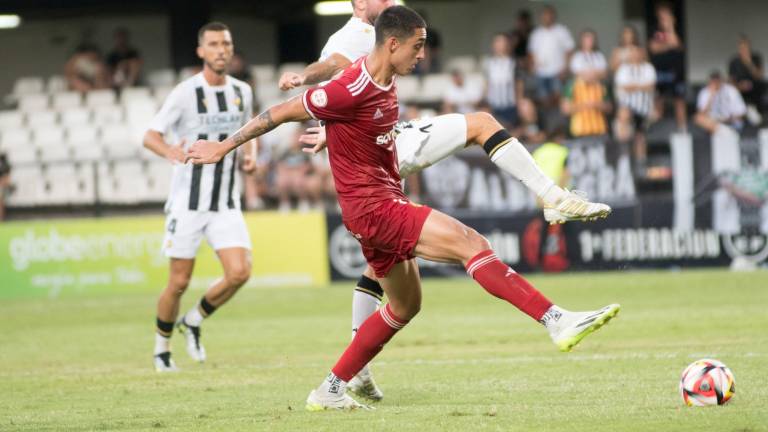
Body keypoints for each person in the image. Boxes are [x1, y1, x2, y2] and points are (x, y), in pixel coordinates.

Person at [187, 6, 620, 411]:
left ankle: (330, 390)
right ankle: (555, 319)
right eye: (417, 45)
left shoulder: (384, 80)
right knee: (472, 243)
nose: (422, 54)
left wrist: (332, 135)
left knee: (403, 307)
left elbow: (362, 126)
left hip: (374, 208)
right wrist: (223, 147)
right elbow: (278, 113)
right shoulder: (348, 88)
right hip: (376, 209)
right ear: (392, 44)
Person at [143, 22, 257, 372]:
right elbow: (151, 135)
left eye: (226, 43)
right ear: (201, 51)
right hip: (188, 204)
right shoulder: (184, 93)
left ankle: (193, 321)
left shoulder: (242, 91)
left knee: (239, 272)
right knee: (178, 282)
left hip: (225, 202)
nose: (221, 49)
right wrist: (170, 153)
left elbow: (249, 128)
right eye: (213, 44)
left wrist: (250, 152)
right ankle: (161, 350)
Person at [614, 46, 656, 167]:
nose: (635, 55)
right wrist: (641, 86)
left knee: (640, 136)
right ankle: (624, 157)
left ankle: (640, 162)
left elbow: (650, 86)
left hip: (643, 109)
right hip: (627, 106)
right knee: (624, 117)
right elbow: (623, 87)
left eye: (638, 52)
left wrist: (633, 86)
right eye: (632, 53)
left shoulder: (648, 68)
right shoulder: (623, 69)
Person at [527, 5, 575, 107]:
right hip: (540, 72)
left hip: (558, 72)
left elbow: (569, 51)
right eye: (545, 15)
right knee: (543, 100)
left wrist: (566, 68)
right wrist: (532, 66)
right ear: (541, 17)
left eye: (549, 14)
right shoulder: (536, 33)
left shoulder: (562, 31)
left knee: (559, 98)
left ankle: (559, 122)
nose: (547, 17)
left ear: (554, 16)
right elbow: (531, 52)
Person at [649, 3, 686, 130]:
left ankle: (682, 128)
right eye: (661, 16)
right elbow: (653, 48)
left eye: (666, 15)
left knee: (679, 99)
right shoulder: (654, 30)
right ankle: (656, 126)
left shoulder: (679, 29)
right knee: (659, 98)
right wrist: (668, 45)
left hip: (676, 71)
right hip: (660, 70)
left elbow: (677, 43)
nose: (663, 18)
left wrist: (670, 28)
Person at [483, 32, 520, 127]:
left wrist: (518, 103)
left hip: (509, 106)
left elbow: (519, 84)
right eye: (496, 42)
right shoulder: (489, 63)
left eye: (501, 42)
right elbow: (487, 84)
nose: (498, 45)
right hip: (493, 107)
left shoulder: (513, 63)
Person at [728, 36, 765, 116]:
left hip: (755, 89)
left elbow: (759, 76)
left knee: (760, 87)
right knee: (731, 92)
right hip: (739, 90)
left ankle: (756, 114)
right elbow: (731, 80)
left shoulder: (756, 58)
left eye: (746, 47)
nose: (744, 50)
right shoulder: (734, 61)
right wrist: (740, 86)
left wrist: (749, 63)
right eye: (742, 48)